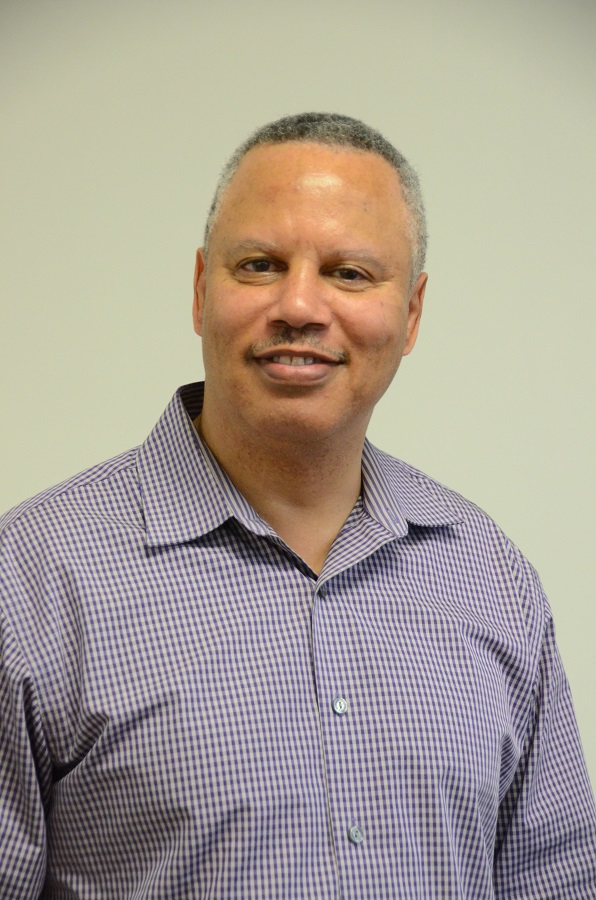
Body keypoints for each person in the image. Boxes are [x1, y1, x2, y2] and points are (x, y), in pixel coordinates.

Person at [0, 112, 594, 899]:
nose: (301, 305)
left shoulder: (491, 576)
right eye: (260, 265)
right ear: (200, 289)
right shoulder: (30, 579)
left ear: (412, 314)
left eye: (350, 273)